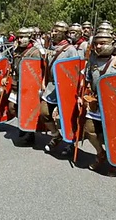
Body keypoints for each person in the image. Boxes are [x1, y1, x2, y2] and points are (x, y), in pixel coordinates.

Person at [79, 30, 116, 175]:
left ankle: (115, 162)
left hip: (114, 105)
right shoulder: (92, 61)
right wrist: (85, 96)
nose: (98, 46)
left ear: (110, 44)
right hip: (97, 103)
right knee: (89, 130)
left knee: (113, 134)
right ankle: (101, 153)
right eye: (96, 43)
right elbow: (88, 81)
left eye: (102, 43)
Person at [41, 22, 79, 153]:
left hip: (65, 88)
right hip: (51, 86)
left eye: (57, 31)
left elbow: (74, 71)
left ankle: (71, 143)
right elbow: (47, 67)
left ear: (64, 33)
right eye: (53, 31)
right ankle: (56, 136)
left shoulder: (71, 50)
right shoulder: (51, 47)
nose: (53, 33)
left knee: (67, 117)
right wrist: (44, 81)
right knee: (44, 112)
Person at [1, 27, 42, 144]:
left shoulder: (35, 52)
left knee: (28, 109)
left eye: (22, 37)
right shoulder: (16, 50)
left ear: (29, 38)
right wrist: (6, 77)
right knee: (12, 108)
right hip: (16, 84)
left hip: (28, 86)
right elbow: (12, 66)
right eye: (18, 37)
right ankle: (23, 124)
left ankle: (30, 133)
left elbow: (37, 71)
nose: (19, 39)